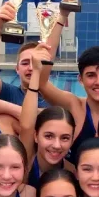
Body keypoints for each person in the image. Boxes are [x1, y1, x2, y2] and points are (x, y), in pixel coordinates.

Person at [31, 40, 99, 161]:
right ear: (80, 79)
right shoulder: (73, 105)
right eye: (91, 75)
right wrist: (60, 21)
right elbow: (42, 83)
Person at [21, 57, 76, 190]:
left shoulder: (73, 172)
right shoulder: (25, 161)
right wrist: (36, 74)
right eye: (49, 136)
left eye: (65, 138)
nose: (56, 145)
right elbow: (26, 125)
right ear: (35, 136)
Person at [0, 4, 48, 107]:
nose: (31, 68)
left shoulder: (56, 99)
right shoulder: (10, 94)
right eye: (25, 63)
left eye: (36, 62)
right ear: (17, 69)